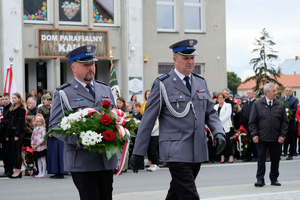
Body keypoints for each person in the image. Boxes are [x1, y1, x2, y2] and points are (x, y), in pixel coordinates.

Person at [130, 39, 225, 200]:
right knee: (189, 194)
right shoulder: (162, 84)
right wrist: (138, 151)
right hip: (175, 150)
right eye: (185, 58)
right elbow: (148, 119)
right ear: (175, 59)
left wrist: (219, 131)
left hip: (197, 148)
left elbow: (210, 113)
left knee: (176, 192)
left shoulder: (200, 81)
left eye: (192, 58)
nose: (190, 61)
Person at [49, 45, 117, 200]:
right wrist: (82, 140)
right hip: (82, 158)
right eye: (85, 65)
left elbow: (114, 116)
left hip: (105, 158)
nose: (90, 68)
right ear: (73, 67)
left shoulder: (105, 89)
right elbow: (54, 126)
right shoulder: (64, 92)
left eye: (92, 64)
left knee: (106, 196)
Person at [249, 83, 288, 187]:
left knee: (275, 159)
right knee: (261, 159)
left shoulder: (280, 104)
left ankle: (274, 178)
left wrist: (282, 135)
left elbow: (284, 122)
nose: (276, 93)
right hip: (261, 138)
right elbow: (252, 122)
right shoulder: (257, 104)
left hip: (276, 138)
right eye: (274, 91)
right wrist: (254, 134)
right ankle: (260, 179)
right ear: (267, 92)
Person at [6, 93, 26, 178]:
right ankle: (16, 170)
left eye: (15, 98)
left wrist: (17, 134)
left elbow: (20, 123)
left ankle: (18, 170)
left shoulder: (21, 109)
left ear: (19, 99)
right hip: (11, 132)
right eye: (12, 98)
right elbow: (10, 123)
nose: (13, 99)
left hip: (18, 132)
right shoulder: (12, 109)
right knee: (14, 152)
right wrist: (7, 133)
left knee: (18, 152)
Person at [214, 92, 234, 163]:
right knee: (220, 141)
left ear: (224, 98)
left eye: (221, 98)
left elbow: (228, 115)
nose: (220, 99)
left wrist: (219, 121)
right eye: (218, 98)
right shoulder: (215, 106)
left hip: (226, 126)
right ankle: (222, 156)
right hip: (218, 127)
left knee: (227, 142)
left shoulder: (228, 105)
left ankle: (230, 156)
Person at [280, 87, 299, 160]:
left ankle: (291, 154)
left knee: (291, 139)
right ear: (285, 91)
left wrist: (287, 111)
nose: (288, 92)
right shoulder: (281, 99)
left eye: (289, 91)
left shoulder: (295, 99)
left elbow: (295, 108)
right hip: (282, 122)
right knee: (283, 137)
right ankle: (282, 152)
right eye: (287, 91)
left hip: (291, 122)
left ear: (292, 92)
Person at [240, 89, 257, 162]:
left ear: (254, 94)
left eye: (250, 93)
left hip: (254, 124)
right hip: (245, 125)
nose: (248, 94)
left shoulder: (256, 103)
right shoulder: (246, 103)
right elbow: (242, 113)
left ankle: (255, 156)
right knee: (247, 141)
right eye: (247, 93)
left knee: (254, 140)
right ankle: (247, 156)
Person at [0, 93, 14, 177]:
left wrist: (2, 121)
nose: (4, 101)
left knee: (8, 152)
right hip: (3, 133)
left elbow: (10, 121)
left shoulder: (10, 108)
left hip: (8, 133)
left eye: (6, 99)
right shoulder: (4, 108)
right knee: (4, 153)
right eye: (3, 99)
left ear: (9, 99)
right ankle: (6, 169)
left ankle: (9, 170)